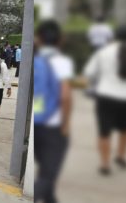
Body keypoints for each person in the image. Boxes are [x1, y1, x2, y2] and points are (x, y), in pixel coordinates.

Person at [83, 26, 126, 176]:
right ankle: (120, 156)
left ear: (114, 37)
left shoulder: (104, 52)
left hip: (106, 97)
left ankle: (105, 164)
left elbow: (89, 72)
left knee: (104, 132)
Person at [34, 20, 74, 203]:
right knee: (48, 174)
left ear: (38, 39)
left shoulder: (35, 60)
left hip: (36, 122)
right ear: (61, 40)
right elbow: (65, 96)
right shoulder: (62, 61)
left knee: (44, 168)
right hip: (53, 126)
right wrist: (65, 124)